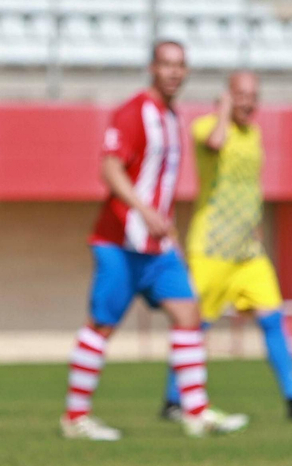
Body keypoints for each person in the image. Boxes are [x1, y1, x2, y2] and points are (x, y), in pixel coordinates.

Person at [61, 40, 249, 441]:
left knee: (188, 313)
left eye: (180, 65)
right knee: (102, 326)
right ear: (152, 68)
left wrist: (166, 227)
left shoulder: (169, 116)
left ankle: (195, 411)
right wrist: (144, 211)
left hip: (158, 247)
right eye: (166, 64)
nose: (174, 72)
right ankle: (75, 416)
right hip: (120, 242)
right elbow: (109, 168)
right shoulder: (134, 113)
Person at [158, 71, 292, 421]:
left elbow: (248, 188)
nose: (248, 102)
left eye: (254, 95)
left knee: (273, 317)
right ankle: (172, 399)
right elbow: (214, 143)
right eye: (241, 94)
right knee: (194, 325)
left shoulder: (253, 134)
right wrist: (223, 112)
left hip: (247, 252)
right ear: (226, 96)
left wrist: (254, 227)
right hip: (211, 248)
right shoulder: (207, 126)